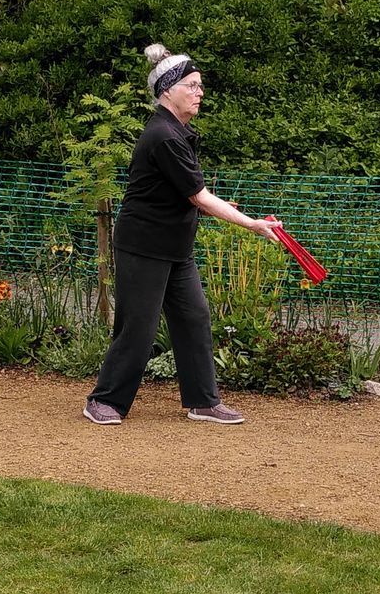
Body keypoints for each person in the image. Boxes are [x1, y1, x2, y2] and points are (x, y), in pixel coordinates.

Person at [83, 42, 281, 426]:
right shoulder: (164, 135)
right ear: (167, 91)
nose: (199, 92)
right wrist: (252, 224)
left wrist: (215, 205)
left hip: (175, 247)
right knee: (138, 328)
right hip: (144, 247)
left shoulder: (178, 132)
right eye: (192, 85)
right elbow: (198, 196)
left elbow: (187, 194)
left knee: (194, 318)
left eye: (200, 85)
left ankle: (203, 401)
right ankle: (104, 400)